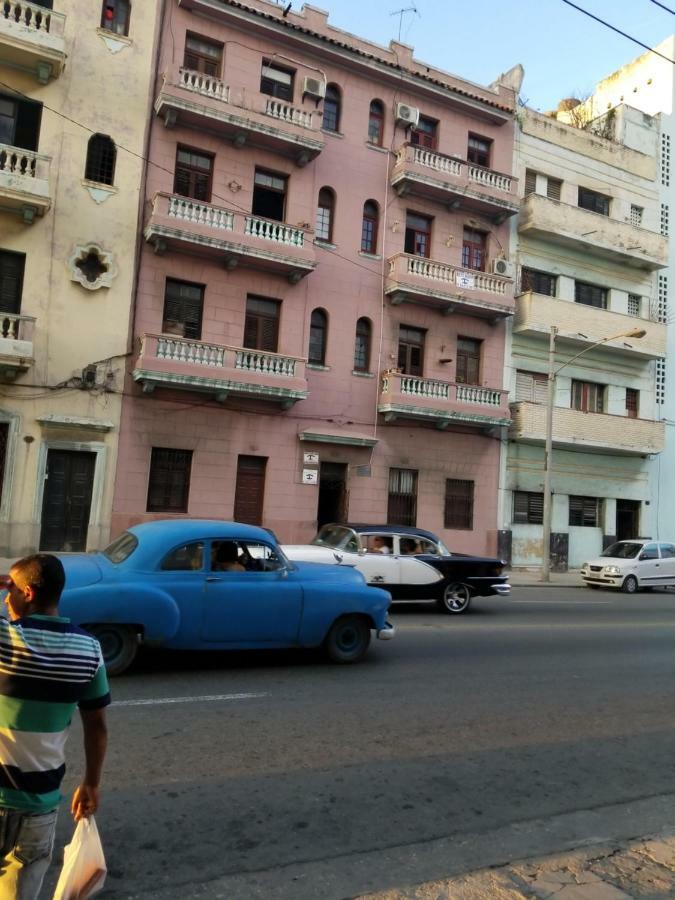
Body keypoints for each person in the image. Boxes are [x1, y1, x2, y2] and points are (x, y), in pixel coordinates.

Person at [0, 554, 110, 899]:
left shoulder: (5, 639)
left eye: (10, 589)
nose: (6, 597)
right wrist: (91, 783)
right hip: (38, 804)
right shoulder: (89, 649)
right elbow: (96, 725)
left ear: (28, 593)